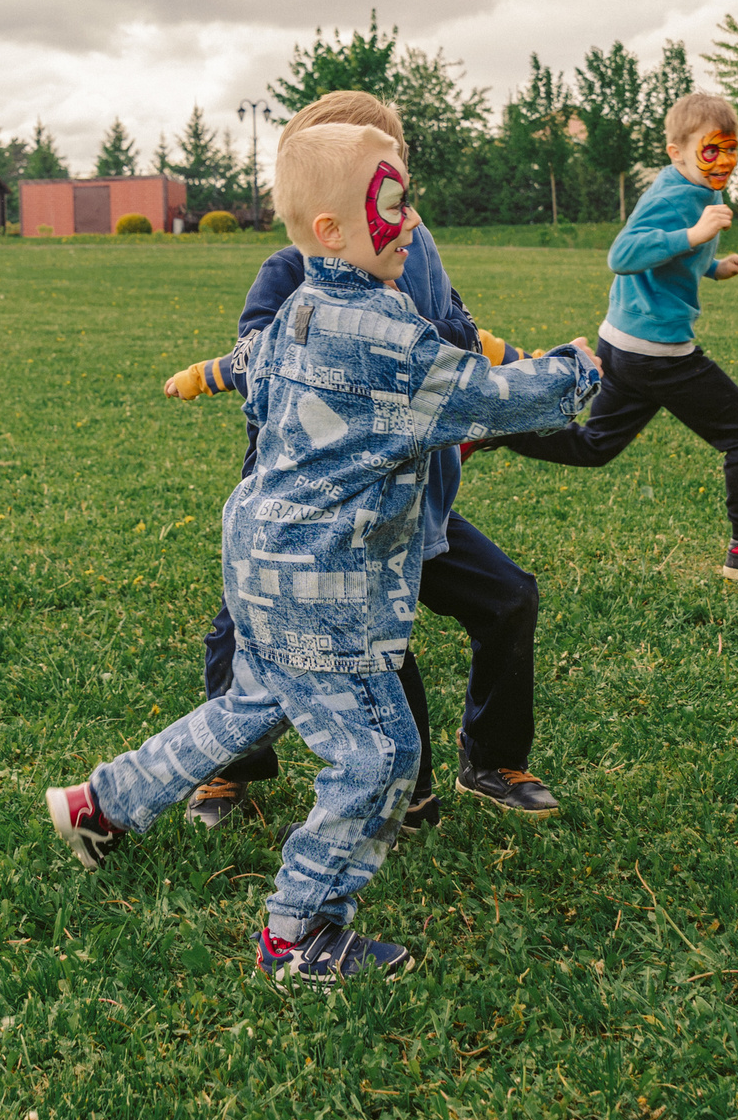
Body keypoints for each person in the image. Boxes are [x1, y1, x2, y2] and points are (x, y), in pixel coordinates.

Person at [45, 123, 600, 984]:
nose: (413, 219)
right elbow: (487, 398)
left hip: (258, 556)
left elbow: (248, 360)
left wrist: (208, 373)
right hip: (326, 581)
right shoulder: (386, 335)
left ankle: (102, 803)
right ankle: (298, 931)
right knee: (380, 752)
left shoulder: (299, 305)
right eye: (395, 201)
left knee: (250, 703)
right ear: (334, 228)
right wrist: (577, 371)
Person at [163, 92, 567, 825]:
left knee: (507, 597)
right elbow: (263, 366)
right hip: (314, 514)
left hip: (412, 506)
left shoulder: (418, 253)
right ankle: (231, 771)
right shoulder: (291, 273)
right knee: (247, 625)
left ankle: (491, 756)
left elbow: (459, 347)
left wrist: (529, 378)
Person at [492, 92, 738, 580]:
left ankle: (498, 429)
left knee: (595, 445)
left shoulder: (700, 188)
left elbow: (673, 258)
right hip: (658, 353)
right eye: (711, 149)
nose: (723, 160)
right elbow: (623, 255)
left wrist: (716, 266)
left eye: (731, 148)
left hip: (625, 343)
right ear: (676, 152)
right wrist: (694, 237)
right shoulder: (675, 194)